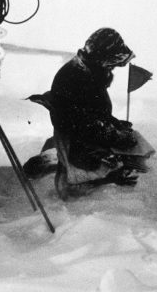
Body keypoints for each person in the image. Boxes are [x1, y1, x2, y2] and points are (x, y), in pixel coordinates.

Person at [47, 28, 138, 200]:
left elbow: (93, 113)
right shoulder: (79, 77)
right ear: (102, 59)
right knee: (129, 177)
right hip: (78, 158)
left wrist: (115, 124)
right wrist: (118, 137)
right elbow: (86, 126)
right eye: (111, 64)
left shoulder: (86, 70)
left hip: (81, 147)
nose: (112, 69)